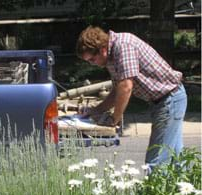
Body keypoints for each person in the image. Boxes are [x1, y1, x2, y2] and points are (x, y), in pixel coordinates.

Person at [76, 26, 187, 171]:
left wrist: (114, 119)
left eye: (92, 59)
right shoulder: (111, 57)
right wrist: (95, 110)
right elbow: (117, 90)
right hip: (166, 100)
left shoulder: (123, 46)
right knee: (175, 158)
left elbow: (126, 87)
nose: (92, 63)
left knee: (156, 162)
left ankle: (151, 193)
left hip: (169, 99)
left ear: (102, 49)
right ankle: (187, 191)